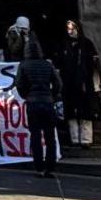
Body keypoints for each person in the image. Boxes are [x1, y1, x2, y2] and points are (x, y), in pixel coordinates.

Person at [14, 35, 62, 177]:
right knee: (49, 137)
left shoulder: (24, 65)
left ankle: (39, 167)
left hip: (33, 103)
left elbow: (19, 84)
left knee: (35, 136)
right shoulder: (47, 65)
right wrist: (52, 95)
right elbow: (58, 83)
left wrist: (26, 96)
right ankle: (50, 167)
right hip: (47, 102)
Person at [60, 19, 101, 146]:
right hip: (69, 84)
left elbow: (94, 65)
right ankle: (74, 138)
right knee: (71, 112)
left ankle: (86, 139)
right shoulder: (64, 44)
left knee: (86, 112)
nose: (70, 31)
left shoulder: (87, 44)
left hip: (85, 83)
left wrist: (95, 83)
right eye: (68, 29)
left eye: (72, 28)